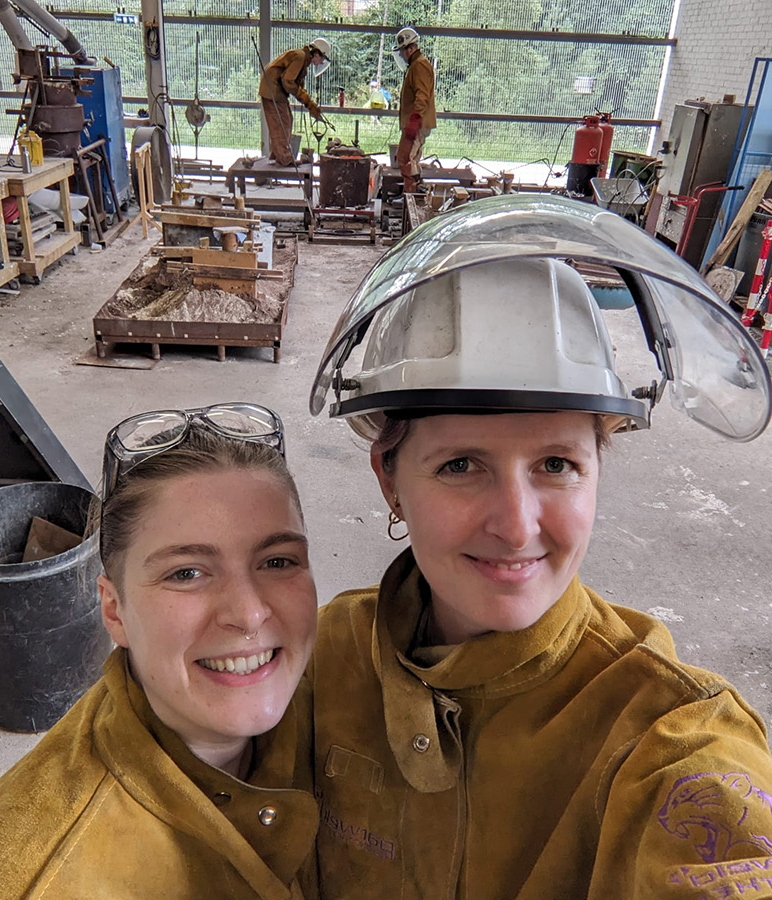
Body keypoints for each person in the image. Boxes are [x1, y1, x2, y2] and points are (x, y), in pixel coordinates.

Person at [305, 193, 772, 897]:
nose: (518, 526)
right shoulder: (326, 653)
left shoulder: (669, 728)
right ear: (390, 479)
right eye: (461, 466)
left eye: (557, 465)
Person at [0, 405, 320, 898]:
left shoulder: (342, 679)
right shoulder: (23, 879)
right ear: (114, 610)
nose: (249, 615)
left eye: (276, 561)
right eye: (186, 572)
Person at [258, 37, 332, 166]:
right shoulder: (300, 57)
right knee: (280, 122)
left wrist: (309, 104)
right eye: (322, 59)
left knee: (286, 120)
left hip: (276, 89)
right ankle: (284, 158)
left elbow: (295, 83)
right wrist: (307, 101)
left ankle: (278, 155)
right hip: (272, 89)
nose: (321, 63)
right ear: (316, 53)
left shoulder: (303, 59)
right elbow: (288, 81)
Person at [392, 27, 435, 194]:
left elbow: (422, 97)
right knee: (411, 159)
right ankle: (413, 193)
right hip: (415, 122)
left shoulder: (419, 66)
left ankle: (411, 195)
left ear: (410, 48)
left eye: (402, 51)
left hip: (417, 123)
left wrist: (414, 122)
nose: (402, 55)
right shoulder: (416, 65)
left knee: (405, 159)